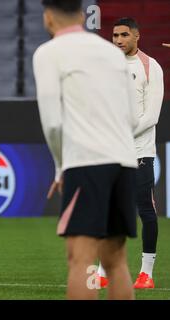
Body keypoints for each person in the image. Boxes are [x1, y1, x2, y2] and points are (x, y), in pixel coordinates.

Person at [33, 0, 139, 299]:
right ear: (82, 15)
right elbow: (132, 116)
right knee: (116, 262)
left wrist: (60, 165)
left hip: (87, 164)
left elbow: (52, 122)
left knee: (82, 262)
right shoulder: (112, 52)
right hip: (124, 162)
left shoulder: (49, 52)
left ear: (48, 17)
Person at [97, 18, 164, 290]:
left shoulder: (151, 67)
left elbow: (152, 115)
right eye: (115, 35)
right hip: (110, 152)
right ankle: (102, 271)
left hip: (139, 153)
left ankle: (146, 273)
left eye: (124, 35)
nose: (118, 40)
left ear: (137, 36)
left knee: (145, 211)